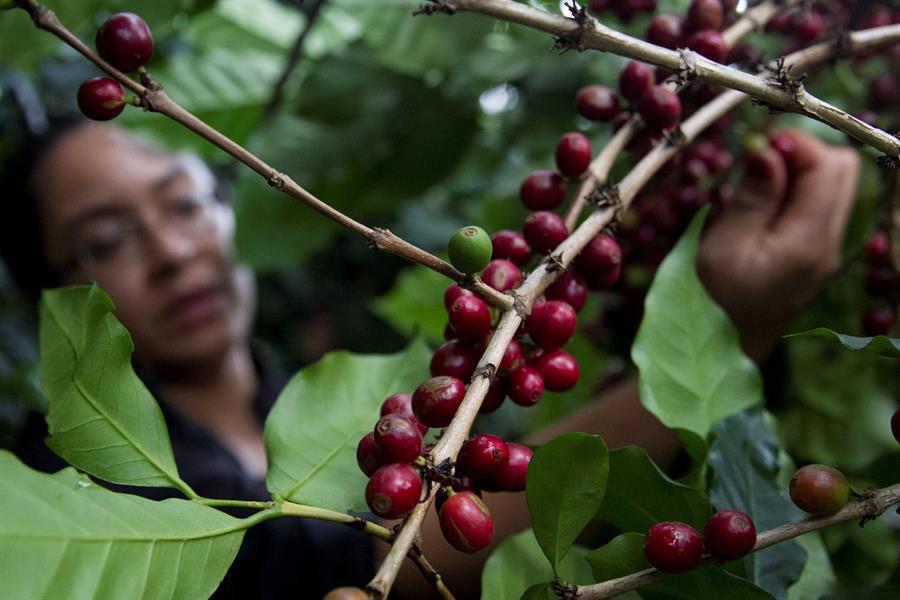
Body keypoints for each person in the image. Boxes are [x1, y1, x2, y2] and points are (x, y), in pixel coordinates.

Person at [1, 118, 859, 599]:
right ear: (52, 293)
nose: (171, 250)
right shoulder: (81, 474)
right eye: (107, 239)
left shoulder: (348, 408)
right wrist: (725, 325)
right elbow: (370, 568)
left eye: (183, 203)